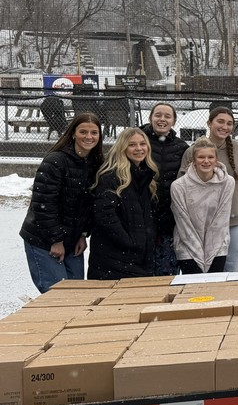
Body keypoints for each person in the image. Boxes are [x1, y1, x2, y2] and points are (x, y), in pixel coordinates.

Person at [20, 113, 104, 293]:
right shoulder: (55, 161)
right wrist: (55, 240)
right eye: (83, 131)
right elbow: (44, 204)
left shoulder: (96, 164)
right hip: (43, 239)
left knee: (76, 294)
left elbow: (88, 205)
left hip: (73, 239)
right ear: (73, 133)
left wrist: (82, 234)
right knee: (56, 295)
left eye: (94, 132)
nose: (88, 137)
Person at [180, 106, 238, 271]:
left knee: (232, 264)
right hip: (207, 219)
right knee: (210, 267)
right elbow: (183, 184)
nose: (225, 127)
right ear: (209, 123)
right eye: (220, 122)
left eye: (229, 123)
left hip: (235, 215)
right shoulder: (194, 151)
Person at [88, 128, 159, 280]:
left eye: (142, 144)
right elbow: (105, 216)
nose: (139, 149)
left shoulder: (145, 177)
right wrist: (130, 242)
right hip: (114, 260)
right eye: (132, 145)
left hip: (138, 259)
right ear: (123, 148)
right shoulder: (111, 177)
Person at [170, 138, 235, 274]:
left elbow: (221, 220)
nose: (206, 161)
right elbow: (184, 223)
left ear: (216, 159)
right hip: (188, 247)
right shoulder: (179, 186)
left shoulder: (227, 183)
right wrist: (198, 255)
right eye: (201, 157)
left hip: (217, 246)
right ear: (193, 160)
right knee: (193, 291)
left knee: (213, 291)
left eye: (210, 157)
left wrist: (210, 254)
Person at [141, 102, 189, 276]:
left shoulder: (181, 147)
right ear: (151, 118)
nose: (162, 119)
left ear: (174, 121)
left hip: (169, 219)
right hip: (142, 218)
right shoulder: (139, 142)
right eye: (158, 115)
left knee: (167, 272)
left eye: (167, 116)